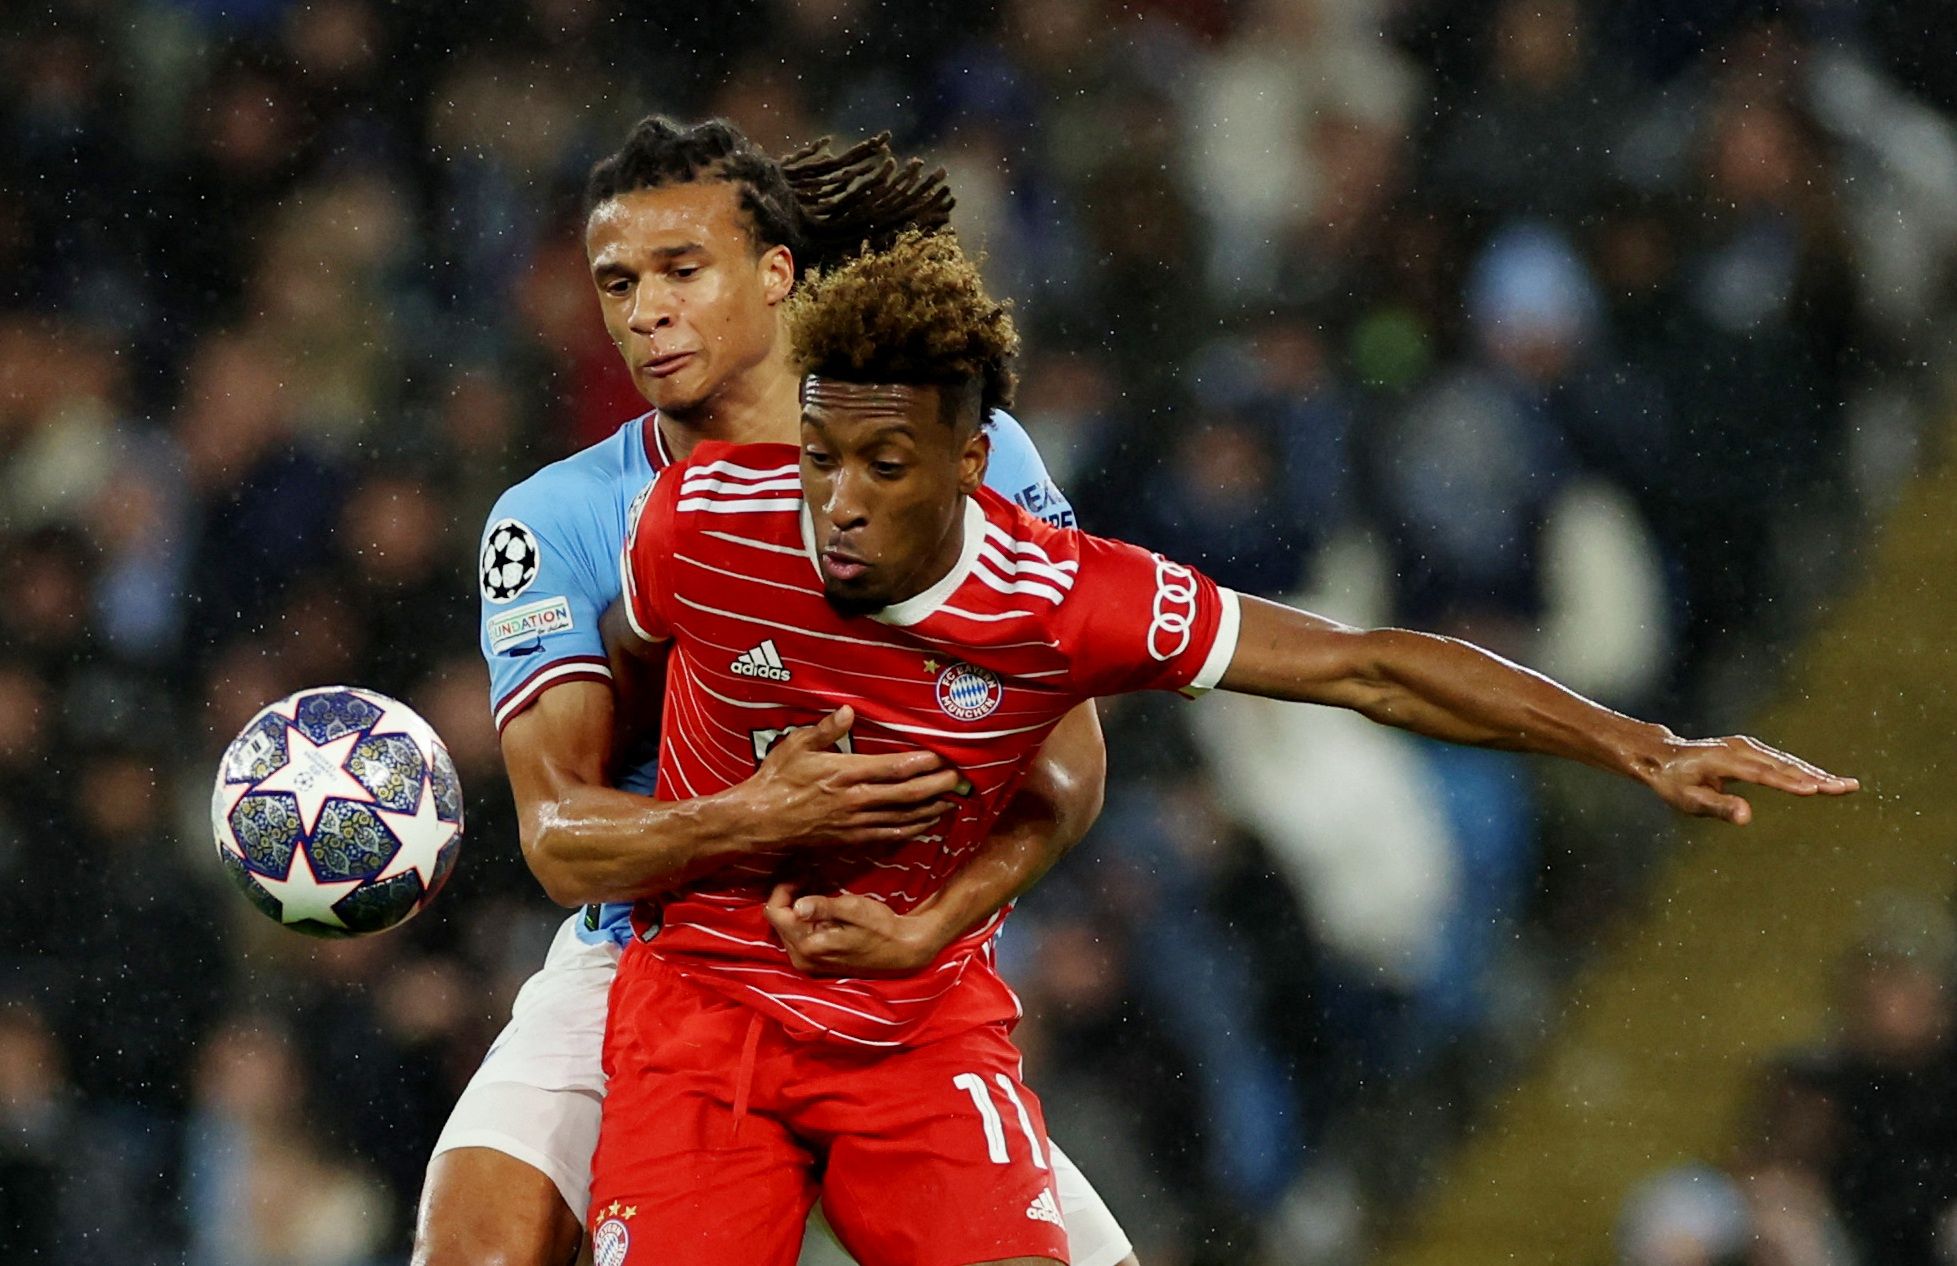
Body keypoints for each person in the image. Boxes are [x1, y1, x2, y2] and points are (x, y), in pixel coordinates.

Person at [594, 228, 1859, 1266]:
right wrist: (714, 809)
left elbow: (1365, 665)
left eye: (884, 462)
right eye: (818, 457)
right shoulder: (704, 520)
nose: (839, 503)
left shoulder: (1066, 598)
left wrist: (1638, 745)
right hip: (703, 1008)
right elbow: (626, 652)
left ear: (971, 463)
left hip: (913, 1026)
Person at [416, 121, 1135, 1266]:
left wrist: (931, 925)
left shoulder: (968, 452)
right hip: (653, 964)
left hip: (886, 979)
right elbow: (559, 838)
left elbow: (1070, 769)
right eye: (616, 283)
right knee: (474, 1252)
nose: (644, 310)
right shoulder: (552, 518)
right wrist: (760, 816)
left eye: (679, 271)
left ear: (776, 275)